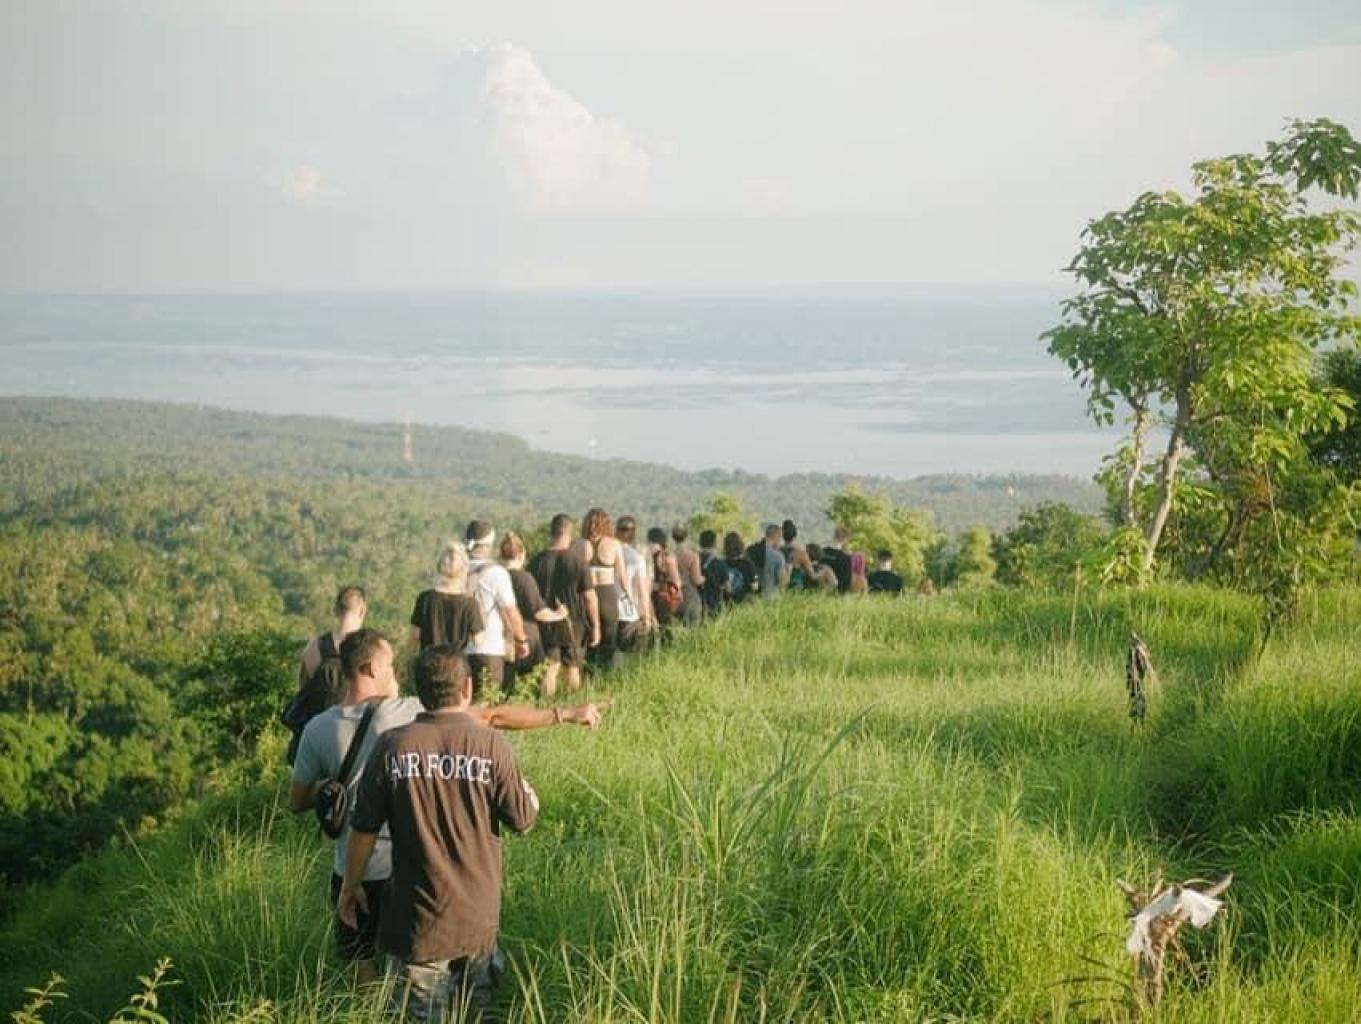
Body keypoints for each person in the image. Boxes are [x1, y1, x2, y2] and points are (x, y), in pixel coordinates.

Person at [290, 631, 603, 986]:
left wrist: (329, 792)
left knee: (363, 965)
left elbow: (297, 801)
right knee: (421, 964)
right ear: (369, 669)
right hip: (408, 868)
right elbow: (493, 717)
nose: (396, 674)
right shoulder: (410, 712)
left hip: (353, 865)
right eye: (390, 665)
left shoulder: (317, 729)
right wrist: (563, 714)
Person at [338, 647, 540, 1021]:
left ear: (420, 692)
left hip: (418, 924)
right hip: (478, 920)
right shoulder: (492, 745)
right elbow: (524, 821)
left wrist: (350, 888)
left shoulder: (392, 746)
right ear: (467, 688)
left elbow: (363, 831)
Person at [282, 584, 367, 763]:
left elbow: (304, 690)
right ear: (362, 611)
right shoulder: (369, 650)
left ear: (335, 610)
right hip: (353, 740)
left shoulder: (314, 648)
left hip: (316, 736)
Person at [530, 514, 600, 698]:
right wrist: (596, 626)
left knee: (550, 668)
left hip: (546, 622)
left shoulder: (536, 561)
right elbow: (590, 597)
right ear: (569, 533)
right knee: (573, 668)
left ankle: (547, 706)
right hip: (573, 622)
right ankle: (573, 705)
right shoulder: (578, 561)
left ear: (551, 532)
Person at [464, 520, 532, 697]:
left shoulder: (455, 569)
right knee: (487, 704)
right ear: (489, 544)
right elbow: (510, 611)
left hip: (458, 651)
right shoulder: (496, 573)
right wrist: (521, 640)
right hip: (488, 648)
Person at [498, 530, 568, 694]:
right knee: (547, 669)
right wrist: (559, 614)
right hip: (527, 637)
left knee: (506, 681)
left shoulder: (496, 576)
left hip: (501, 637)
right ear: (522, 554)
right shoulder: (524, 578)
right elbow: (539, 612)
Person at [409, 542, 485, 652]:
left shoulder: (425, 598)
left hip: (428, 661)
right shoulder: (469, 603)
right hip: (456, 664)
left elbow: (415, 636)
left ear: (440, 567)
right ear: (464, 570)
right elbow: (478, 640)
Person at [583, 509, 627, 673]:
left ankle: (589, 675)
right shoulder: (614, 544)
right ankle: (607, 676)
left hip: (587, 594)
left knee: (589, 639)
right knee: (609, 640)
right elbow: (622, 577)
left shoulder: (581, 544)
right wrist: (629, 600)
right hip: (607, 595)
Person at [615, 515, 656, 652]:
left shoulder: (606, 552)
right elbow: (644, 587)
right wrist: (647, 614)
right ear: (634, 532)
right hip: (631, 609)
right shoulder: (638, 555)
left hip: (608, 609)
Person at [647, 527, 683, 630]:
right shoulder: (667, 556)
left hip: (647, 596)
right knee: (666, 628)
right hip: (664, 597)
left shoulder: (642, 554)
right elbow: (676, 581)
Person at [671, 524, 705, 627]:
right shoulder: (692, 556)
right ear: (686, 536)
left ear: (673, 537)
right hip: (690, 594)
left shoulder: (669, 555)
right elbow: (696, 580)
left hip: (674, 596)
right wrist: (704, 579)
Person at [697, 530, 729, 616]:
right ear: (714, 543)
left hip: (698, 602)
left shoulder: (694, 560)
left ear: (700, 543)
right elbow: (728, 587)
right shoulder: (720, 563)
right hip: (715, 604)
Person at [780, 520, 816, 592]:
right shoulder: (801, 553)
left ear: (782, 536)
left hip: (779, 589)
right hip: (796, 590)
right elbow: (813, 575)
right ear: (795, 535)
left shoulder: (776, 551)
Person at [722, 531, 757, 604]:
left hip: (725, 604)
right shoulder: (747, 564)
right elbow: (754, 586)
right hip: (744, 605)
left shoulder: (721, 563)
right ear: (740, 546)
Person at [821, 526, 854, 594]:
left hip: (818, 590)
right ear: (845, 540)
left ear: (834, 536)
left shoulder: (822, 552)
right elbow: (847, 581)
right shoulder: (846, 558)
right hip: (836, 593)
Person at [759, 523, 788, 599]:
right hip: (772, 597)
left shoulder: (752, 551)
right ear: (776, 537)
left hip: (755, 599)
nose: (781, 541)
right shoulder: (778, 556)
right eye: (780, 538)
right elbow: (782, 581)